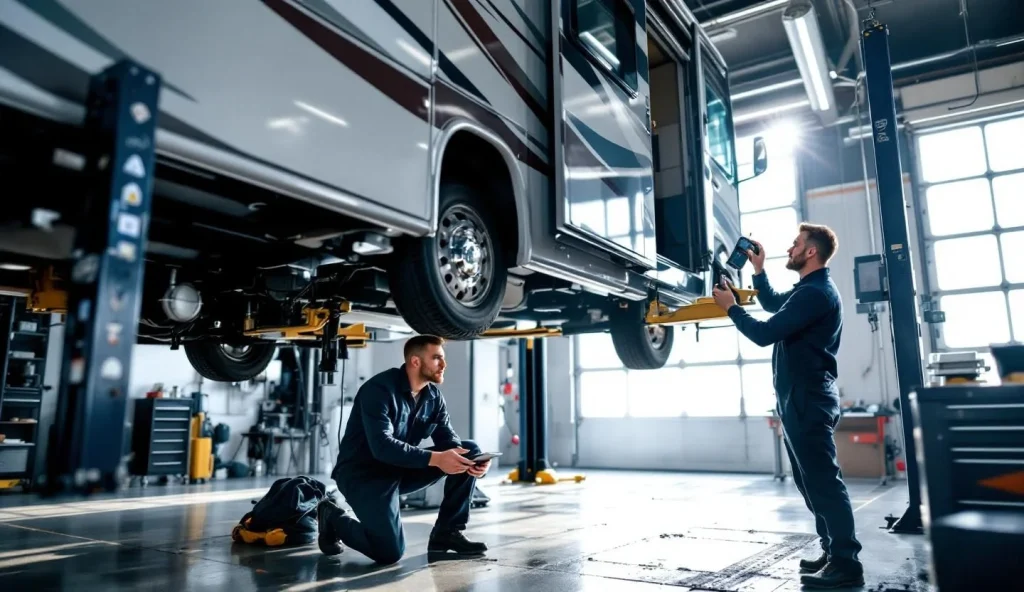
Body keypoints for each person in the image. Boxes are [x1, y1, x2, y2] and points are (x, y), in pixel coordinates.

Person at [712, 223, 864, 589]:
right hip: (799, 399)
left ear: (811, 252)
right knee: (810, 482)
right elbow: (773, 304)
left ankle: (847, 561)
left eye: (796, 244)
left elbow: (765, 333)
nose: (790, 249)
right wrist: (759, 271)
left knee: (824, 482)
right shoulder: (809, 291)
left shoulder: (817, 294)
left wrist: (731, 309)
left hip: (808, 400)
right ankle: (832, 551)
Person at [316, 335, 491, 564]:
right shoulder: (379, 390)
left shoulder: (433, 396)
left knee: (469, 450)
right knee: (389, 552)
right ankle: (333, 517)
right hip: (364, 476)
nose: (444, 364)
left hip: (399, 469)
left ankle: (447, 533)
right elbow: (382, 447)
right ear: (416, 361)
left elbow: (448, 438)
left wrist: (473, 464)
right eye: (437, 358)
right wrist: (437, 459)